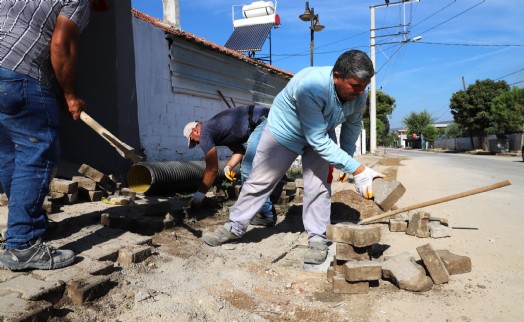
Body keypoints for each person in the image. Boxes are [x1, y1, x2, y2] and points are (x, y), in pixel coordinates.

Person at [201, 50, 385, 265]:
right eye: (355, 86)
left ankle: (317, 238)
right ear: (337, 77)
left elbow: (352, 127)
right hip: (284, 133)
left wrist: (347, 160)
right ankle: (234, 227)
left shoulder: (358, 96)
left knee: (318, 187)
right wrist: (359, 170)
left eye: (365, 86)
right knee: (260, 181)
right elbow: (316, 138)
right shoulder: (310, 86)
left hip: (319, 135)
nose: (361, 91)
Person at [0, 1, 90, 270]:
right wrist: (70, 94)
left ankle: (28, 224)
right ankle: (22, 244)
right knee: (38, 153)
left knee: (9, 154)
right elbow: (62, 46)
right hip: (20, 74)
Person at [183, 105, 275, 225]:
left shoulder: (205, 132)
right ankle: (262, 211)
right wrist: (229, 166)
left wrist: (200, 194)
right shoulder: (218, 131)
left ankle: (267, 215)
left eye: (193, 139)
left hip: (263, 120)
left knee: (248, 171)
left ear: (195, 131)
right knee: (249, 169)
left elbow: (212, 169)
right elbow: (239, 150)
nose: (197, 143)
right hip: (264, 120)